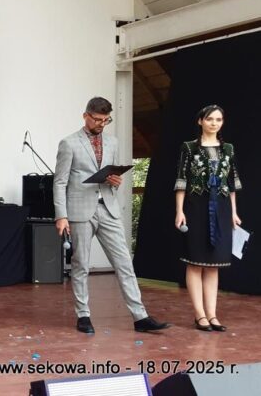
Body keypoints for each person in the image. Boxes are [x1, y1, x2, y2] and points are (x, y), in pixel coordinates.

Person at [54, 96, 170, 334]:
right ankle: (83, 315)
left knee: (125, 263)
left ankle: (140, 317)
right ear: (85, 116)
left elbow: (111, 175)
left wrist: (115, 182)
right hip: (79, 210)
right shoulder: (68, 143)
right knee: (81, 264)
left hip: (108, 207)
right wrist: (61, 216)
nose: (101, 124)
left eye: (106, 120)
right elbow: (60, 182)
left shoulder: (113, 142)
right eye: (98, 119)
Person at [174, 105, 242, 332]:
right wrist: (179, 211)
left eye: (219, 119)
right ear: (200, 121)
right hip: (195, 207)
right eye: (210, 119)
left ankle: (212, 315)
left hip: (221, 208)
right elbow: (181, 180)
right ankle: (199, 315)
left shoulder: (228, 149)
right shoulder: (189, 147)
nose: (214, 123)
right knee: (195, 262)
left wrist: (233, 212)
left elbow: (232, 184)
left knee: (214, 265)